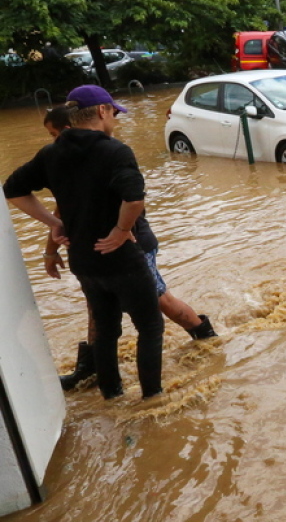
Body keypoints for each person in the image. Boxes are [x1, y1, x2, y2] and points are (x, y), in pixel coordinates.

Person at [4, 86, 165, 400]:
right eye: (114, 113)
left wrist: (55, 225)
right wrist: (120, 230)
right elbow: (134, 200)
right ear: (102, 111)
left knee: (105, 330)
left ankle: (112, 394)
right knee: (150, 327)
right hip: (120, 258)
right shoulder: (115, 151)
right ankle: (152, 398)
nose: (115, 120)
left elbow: (13, 190)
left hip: (83, 260)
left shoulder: (51, 152)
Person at [40, 106, 216, 392]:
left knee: (159, 302)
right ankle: (93, 368)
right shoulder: (72, 157)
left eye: (55, 133)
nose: (54, 140)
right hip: (100, 251)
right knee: (99, 311)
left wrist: (121, 232)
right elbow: (63, 210)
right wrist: (51, 250)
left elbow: (131, 201)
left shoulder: (102, 154)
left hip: (131, 248)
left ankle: (203, 334)